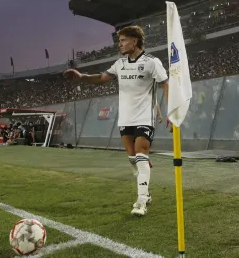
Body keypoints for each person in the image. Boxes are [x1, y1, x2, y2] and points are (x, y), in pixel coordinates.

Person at [64, 25, 169, 216]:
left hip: (145, 116)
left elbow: (165, 83)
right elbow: (102, 78)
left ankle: (141, 201)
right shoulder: (119, 64)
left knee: (141, 153)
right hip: (126, 117)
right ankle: (146, 191)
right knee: (132, 158)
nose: (119, 44)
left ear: (134, 41)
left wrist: (170, 110)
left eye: (122, 40)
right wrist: (81, 76)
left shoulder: (152, 62)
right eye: (118, 41)